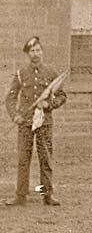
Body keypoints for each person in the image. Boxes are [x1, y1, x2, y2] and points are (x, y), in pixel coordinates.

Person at [5, 36, 67, 206]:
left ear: (42, 52)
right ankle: (20, 196)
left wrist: (49, 104)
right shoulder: (21, 73)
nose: (36, 54)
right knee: (23, 158)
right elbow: (10, 98)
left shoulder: (51, 73)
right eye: (32, 51)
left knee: (45, 158)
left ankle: (47, 195)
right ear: (27, 54)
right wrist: (15, 115)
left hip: (44, 122)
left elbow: (62, 96)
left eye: (38, 50)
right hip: (25, 122)